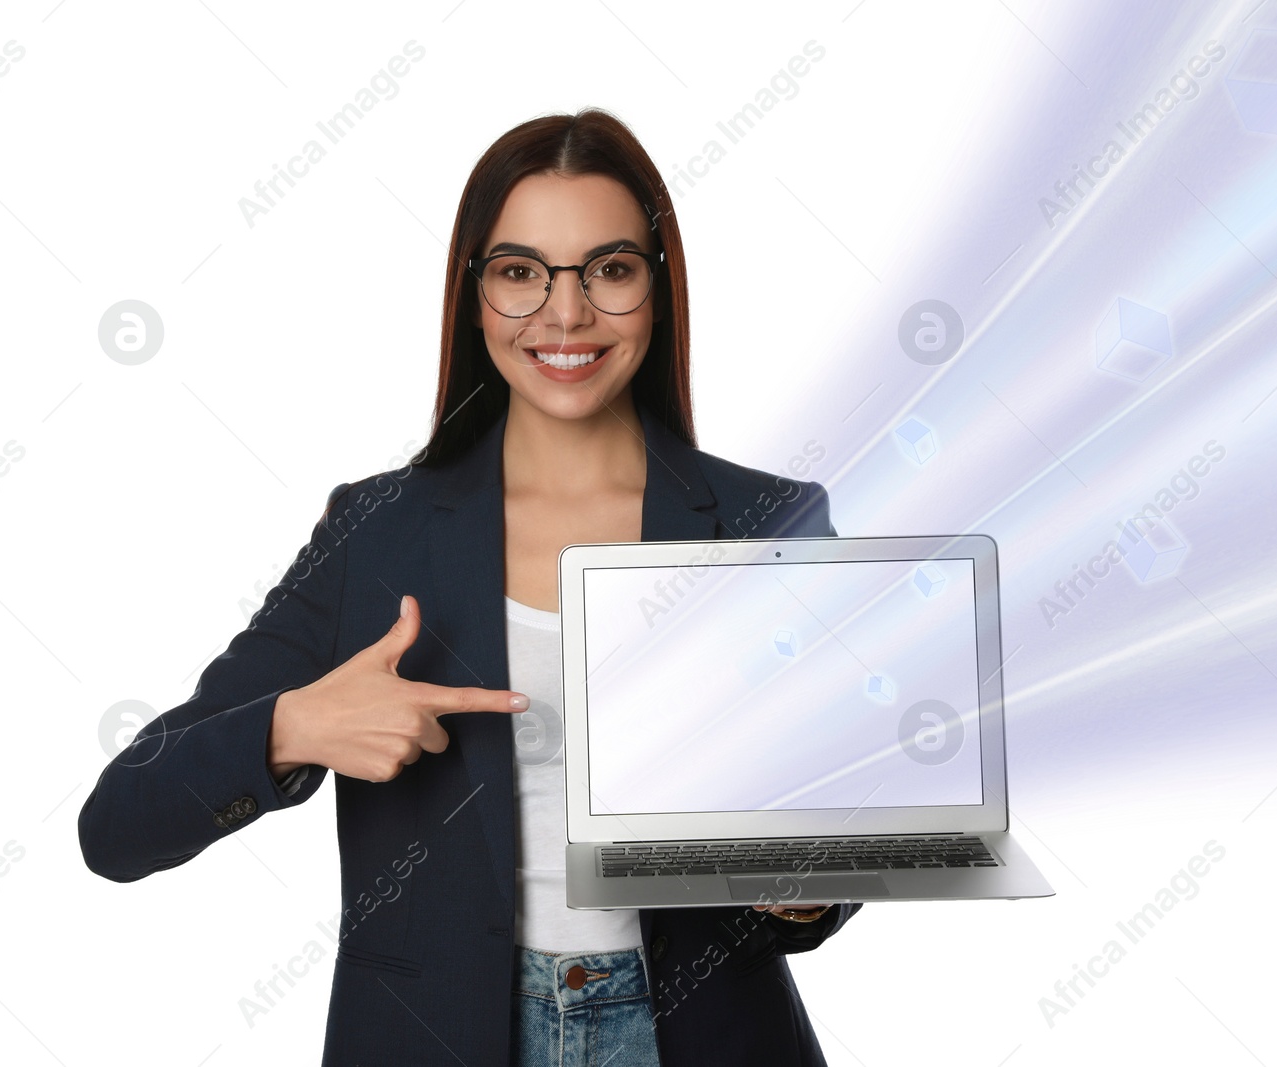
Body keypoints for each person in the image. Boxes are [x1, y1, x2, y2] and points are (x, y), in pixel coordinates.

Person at [78, 107, 861, 1066]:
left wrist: (806, 883)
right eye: (520, 271)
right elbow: (116, 825)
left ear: (657, 289)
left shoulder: (770, 522)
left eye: (609, 270)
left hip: (700, 1037)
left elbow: (841, 833)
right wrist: (293, 727)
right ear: (475, 294)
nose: (565, 314)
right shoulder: (377, 532)